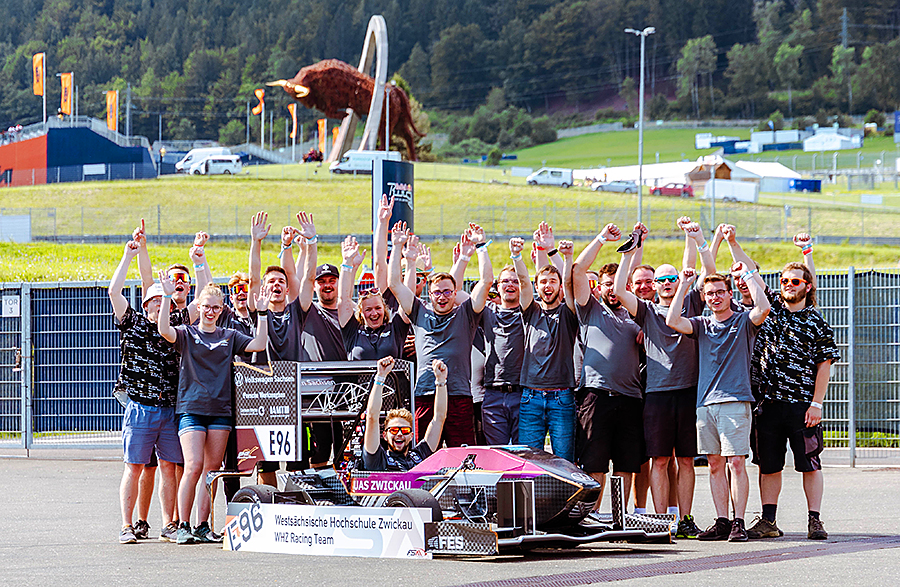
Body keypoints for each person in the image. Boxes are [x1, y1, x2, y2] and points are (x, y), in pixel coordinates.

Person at [613, 220, 715, 539]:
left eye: (673, 279)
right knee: (659, 460)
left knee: (685, 460)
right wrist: (631, 250)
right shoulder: (645, 310)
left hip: (689, 392)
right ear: (654, 285)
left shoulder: (691, 302)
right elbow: (618, 291)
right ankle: (661, 522)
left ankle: (684, 519)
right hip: (656, 394)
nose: (669, 283)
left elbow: (694, 267)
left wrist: (691, 236)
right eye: (662, 280)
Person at [158, 279, 270, 544]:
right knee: (193, 465)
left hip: (220, 410)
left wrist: (262, 313)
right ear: (199, 306)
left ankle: (202, 525)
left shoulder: (229, 336)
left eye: (216, 308)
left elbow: (259, 345)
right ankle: (182, 525)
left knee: (212, 469)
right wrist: (165, 297)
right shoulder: (186, 333)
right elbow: (163, 330)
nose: (210, 312)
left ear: (222, 309)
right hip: (192, 408)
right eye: (206, 307)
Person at [666, 264, 770, 542]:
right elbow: (673, 321)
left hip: (735, 401)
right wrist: (685, 285)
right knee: (714, 464)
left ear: (729, 294)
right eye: (710, 293)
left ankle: (739, 521)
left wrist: (747, 274)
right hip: (706, 403)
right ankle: (722, 520)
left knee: (736, 462)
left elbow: (764, 307)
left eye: (720, 292)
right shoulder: (702, 324)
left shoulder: (743, 321)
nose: (715, 297)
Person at [746, 255, 840, 540]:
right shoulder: (772, 308)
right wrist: (733, 242)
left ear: (807, 286)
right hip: (768, 404)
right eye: (784, 281)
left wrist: (816, 404)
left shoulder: (816, 322)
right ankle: (769, 521)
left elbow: (825, 364)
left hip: (802, 406)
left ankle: (815, 520)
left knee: (809, 463)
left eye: (795, 281)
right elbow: (751, 272)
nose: (788, 285)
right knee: (768, 465)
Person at [388, 222, 490, 447]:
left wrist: (481, 246)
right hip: (425, 394)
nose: (442, 297)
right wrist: (397, 248)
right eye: (437, 292)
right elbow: (394, 283)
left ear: (456, 293)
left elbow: (486, 282)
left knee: (462, 458)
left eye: (447, 292)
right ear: (429, 294)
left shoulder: (466, 314)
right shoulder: (419, 312)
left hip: (458, 396)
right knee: (421, 456)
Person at [108, 236, 182, 545]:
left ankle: (170, 523)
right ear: (145, 303)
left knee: (169, 466)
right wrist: (129, 255)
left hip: (168, 407)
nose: (158, 303)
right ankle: (127, 525)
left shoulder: (175, 326)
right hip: (139, 406)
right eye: (153, 299)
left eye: (161, 299)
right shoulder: (132, 323)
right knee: (134, 466)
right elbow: (114, 291)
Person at [571, 224, 644, 507]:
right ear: (598, 287)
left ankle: (619, 516)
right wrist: (601, 238)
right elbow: (577, 270)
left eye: (619, 285)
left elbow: (634, 265)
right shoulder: (590, 308)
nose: (613, 290)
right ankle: (593, 515)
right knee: (595, 464)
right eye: (608, 285)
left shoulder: (636, 313)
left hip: (630, 398)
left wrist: (637, 243)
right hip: (595, 396)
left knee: (626, 465)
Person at [514, 229, 579, 461]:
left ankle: (564, 500)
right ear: (537, 287)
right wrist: (517, 256)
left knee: (563, 462)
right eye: (543, 282)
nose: (547, 285)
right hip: (530, 397)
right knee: (529, 461)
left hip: (562, 397)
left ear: (559, 286)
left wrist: (564, 256)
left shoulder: (569, 313)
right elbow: (522, 281)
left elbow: (571, 283)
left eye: (553, 281)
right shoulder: (531, 311)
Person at [361, 356, 448, 471]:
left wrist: (441, 381)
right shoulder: (378, 459)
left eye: (405, 430)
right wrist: (380, 376)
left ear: (411, 436)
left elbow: (439, 418)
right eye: (394, 430)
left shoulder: (419, 456)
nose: (400, 434)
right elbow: (372, 417)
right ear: (384, 436)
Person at [479, 240, 527, 445]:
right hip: (493, 394)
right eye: (505, 281)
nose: (510, 285)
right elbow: (460, 294)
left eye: (515, 282)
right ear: (497, 287)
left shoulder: (529, 312)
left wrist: (518, 256)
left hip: (523, 393)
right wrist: (479, 248)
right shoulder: (487, 312)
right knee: (496, 454)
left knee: (524, 455)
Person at [337, 235, 411, 361]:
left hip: (392, 380)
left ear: (384, 309)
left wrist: (399, 249)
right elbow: (344, 299)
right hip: (361, 381)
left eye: (378, 308)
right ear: (361, 312)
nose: (374, 313)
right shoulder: (353, 330)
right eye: (368, 309)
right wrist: (347, 262)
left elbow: (408, 296)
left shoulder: (395, 328)